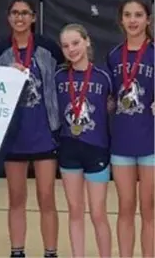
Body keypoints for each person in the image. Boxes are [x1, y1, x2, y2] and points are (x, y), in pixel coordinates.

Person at [0, 0, 62, 258]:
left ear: (33, 17)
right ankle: (17, 252)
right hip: (13, 136)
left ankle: (50, 252)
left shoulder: (48, 49)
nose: (19, 18)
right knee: (16, 197)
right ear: (9, 17)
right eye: (14, 13)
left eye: (25, 13)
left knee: (47, 198)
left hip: (44, 133)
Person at [55, 24, 112, 258]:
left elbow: (117, 102)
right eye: (66, 45)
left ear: (87, 42)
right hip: (69, 149)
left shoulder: (104, 76)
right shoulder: (58, 77)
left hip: (96, 149)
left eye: (76, 43)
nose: (71, 49)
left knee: (98, 213)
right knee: (75, 211)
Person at [106, 0, 154, 258]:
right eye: (128, 15)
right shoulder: (114, 56)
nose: (133, 20)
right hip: (122, 142)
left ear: (148, 19)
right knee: (125, 206)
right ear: (121, 20)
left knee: (149, 208)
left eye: (138, 15)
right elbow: (111, 100)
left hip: (151, 142)